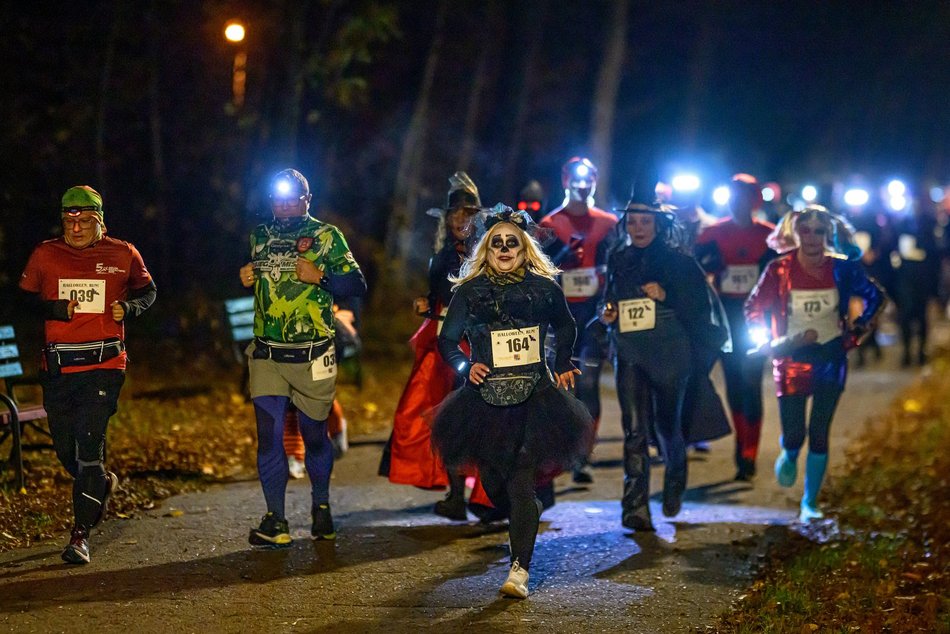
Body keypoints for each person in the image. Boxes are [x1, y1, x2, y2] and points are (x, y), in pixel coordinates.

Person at [432, 205, 593, 599]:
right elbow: (447, 340)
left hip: (535, 397)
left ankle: (519, 569)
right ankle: (527, 512)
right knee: (495, 484)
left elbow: (566, 324)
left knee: (521, 480)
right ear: (486, 251)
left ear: (524, 250)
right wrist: (465, 366)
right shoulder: (469, 291)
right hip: (484, 401)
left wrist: (562, 361)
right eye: (497, 244)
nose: (504, 249)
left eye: (512, 244)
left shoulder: (544, 288)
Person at [19, 185, 156, 564]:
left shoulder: (123, 253)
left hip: (104, 366)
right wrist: (53, 309)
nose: (76, 229)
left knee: (89, 445)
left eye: (84, 221)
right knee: (67, 451)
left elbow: (149, 292)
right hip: (59, 368)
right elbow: (21, 302)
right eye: (69, 221)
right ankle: (100, 483)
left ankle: (79, 535)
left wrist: (129, 308)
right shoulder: (45, 254)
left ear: (100, 221)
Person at [239, 168, 366, 547]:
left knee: (314, 436)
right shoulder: (259, 235)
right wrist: (247, 276)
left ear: (307, 199)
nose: (282, 205)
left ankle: (321, 508)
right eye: (276, 199)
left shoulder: (327, 236)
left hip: (313, 353)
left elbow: (357, 284)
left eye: (291, 199)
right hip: (267, 353)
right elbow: (265, 283)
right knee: (269, 438)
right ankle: (275, 520)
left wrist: (321, 277)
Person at [598, 182, 727, 530]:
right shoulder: (618, 258)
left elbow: (699, 310)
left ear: (657, 223)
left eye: (645, 221)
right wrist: (607, 312)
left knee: (668, 428)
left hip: (670, 353)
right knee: (634, 431)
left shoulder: (680, 261)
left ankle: (675, 476)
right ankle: (635, 507)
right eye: (632, 221)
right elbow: (607, 298)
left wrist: (667, 294)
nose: (638, 227)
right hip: (629, 351)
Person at [745, 205, 885, 522]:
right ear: (794, 233)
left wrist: (859, 328)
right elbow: (754, 307)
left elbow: (876, 296)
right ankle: (790, 450)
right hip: (791, 359)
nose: (811, 238)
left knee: (820, 432)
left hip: (830, 357)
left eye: (818, 231)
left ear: (828, 234)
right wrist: (766, 339)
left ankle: (810, 502)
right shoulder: (779, 269)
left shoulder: (842, 269)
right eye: (805, 231)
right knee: (796, 434)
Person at [380, 172, 480, 519]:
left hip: (481, 346)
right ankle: (457, 494)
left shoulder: (491, 252)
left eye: (468, 214)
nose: (461, 220)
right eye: (455, 214)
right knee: (446, 417)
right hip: (447, 349)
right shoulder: (441, 257)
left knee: (481, 419)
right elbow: (437, 295)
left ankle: (490, 495)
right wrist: (425, 302)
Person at [539, 157, 617, 483]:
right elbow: (537, 272)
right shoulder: (549, 223)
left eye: (588, 182)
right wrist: (560, 259)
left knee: (588, 383)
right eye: (576, 182)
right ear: (565, 181)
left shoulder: (609, 223)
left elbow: (618, 268)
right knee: (562, 387)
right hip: (560, 318)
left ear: (595, 183)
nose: (583, 188)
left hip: (593, 318)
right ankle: (563, 450)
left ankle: (582, 457)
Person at [695, 174, 776, 480]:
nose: (739, 202)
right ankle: (742, 444)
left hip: (757, 318)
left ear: (755, 200)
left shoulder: (770, 235)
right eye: (734, 197)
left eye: (745, 197)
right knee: (733, 382)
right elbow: (695, 271)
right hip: (726, 317)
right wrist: (708, 266)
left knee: (751, 382)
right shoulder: (713, 233)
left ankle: (748, 453)